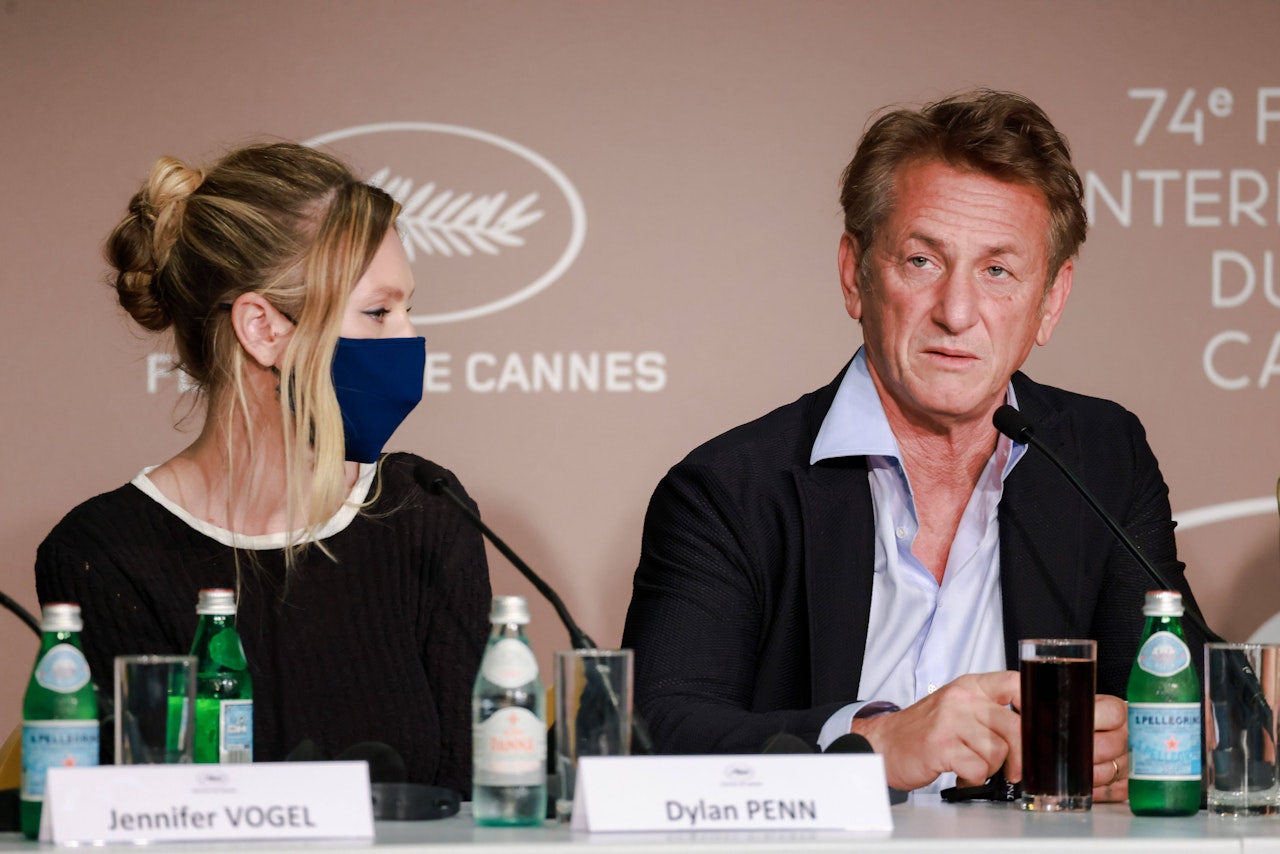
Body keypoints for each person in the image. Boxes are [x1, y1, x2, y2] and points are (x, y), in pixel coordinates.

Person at [621, 90, 1207, 800]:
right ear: (855, 275)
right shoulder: (731, 489)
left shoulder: (1102, 457)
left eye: (997, 271)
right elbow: (654, 731)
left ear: (1050, 301)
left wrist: (1131, 747)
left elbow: (1185, 693)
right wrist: (871, 744)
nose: (956, 313)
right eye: (923, 260)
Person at [35, 142, 491, 792]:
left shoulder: (425, 510)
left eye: (407, 309)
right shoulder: (104, 553)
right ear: (263, 328)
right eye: (378, 312)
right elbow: (140, 806)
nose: (409, 338)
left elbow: (472, 800)